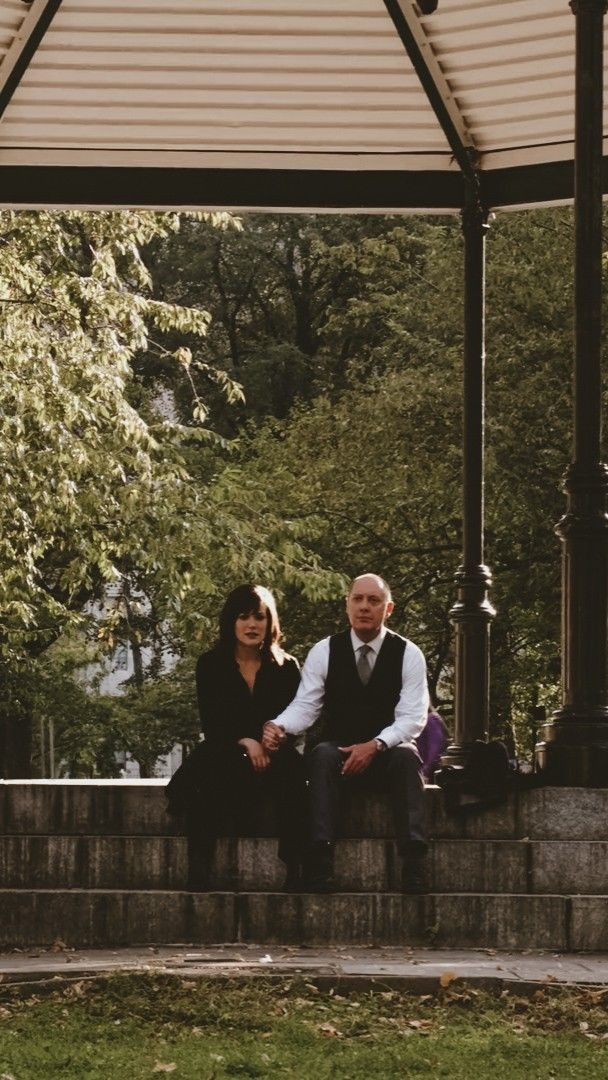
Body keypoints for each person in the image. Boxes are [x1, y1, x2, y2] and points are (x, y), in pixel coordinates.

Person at [263, 573, 429, 893]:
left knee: (407, 757)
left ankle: (414, 862)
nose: (364, 606)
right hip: (340, 752)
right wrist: (279, 725)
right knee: (321, 756)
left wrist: (376, 745)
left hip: (387, 752)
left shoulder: (409, 653)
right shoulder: (325, 650)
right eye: (358, 599)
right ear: (347, 605)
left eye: (374, 600)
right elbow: (306, 706)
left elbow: (413, 718)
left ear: (388, 609)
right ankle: (321, 860)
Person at [166, 584, 306, 891]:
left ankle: (296, 866)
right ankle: (200, 866)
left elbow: (297, 719)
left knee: (297, 777)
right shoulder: (210, 664)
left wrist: (275, 738)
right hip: (226, 748)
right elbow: (212, 723)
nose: (252, 625)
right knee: (208, 773)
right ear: (231, 621)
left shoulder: (287, 667)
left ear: (270, 622)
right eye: (243, 617)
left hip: (273, 752)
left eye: (259, 617)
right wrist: (245, 740)